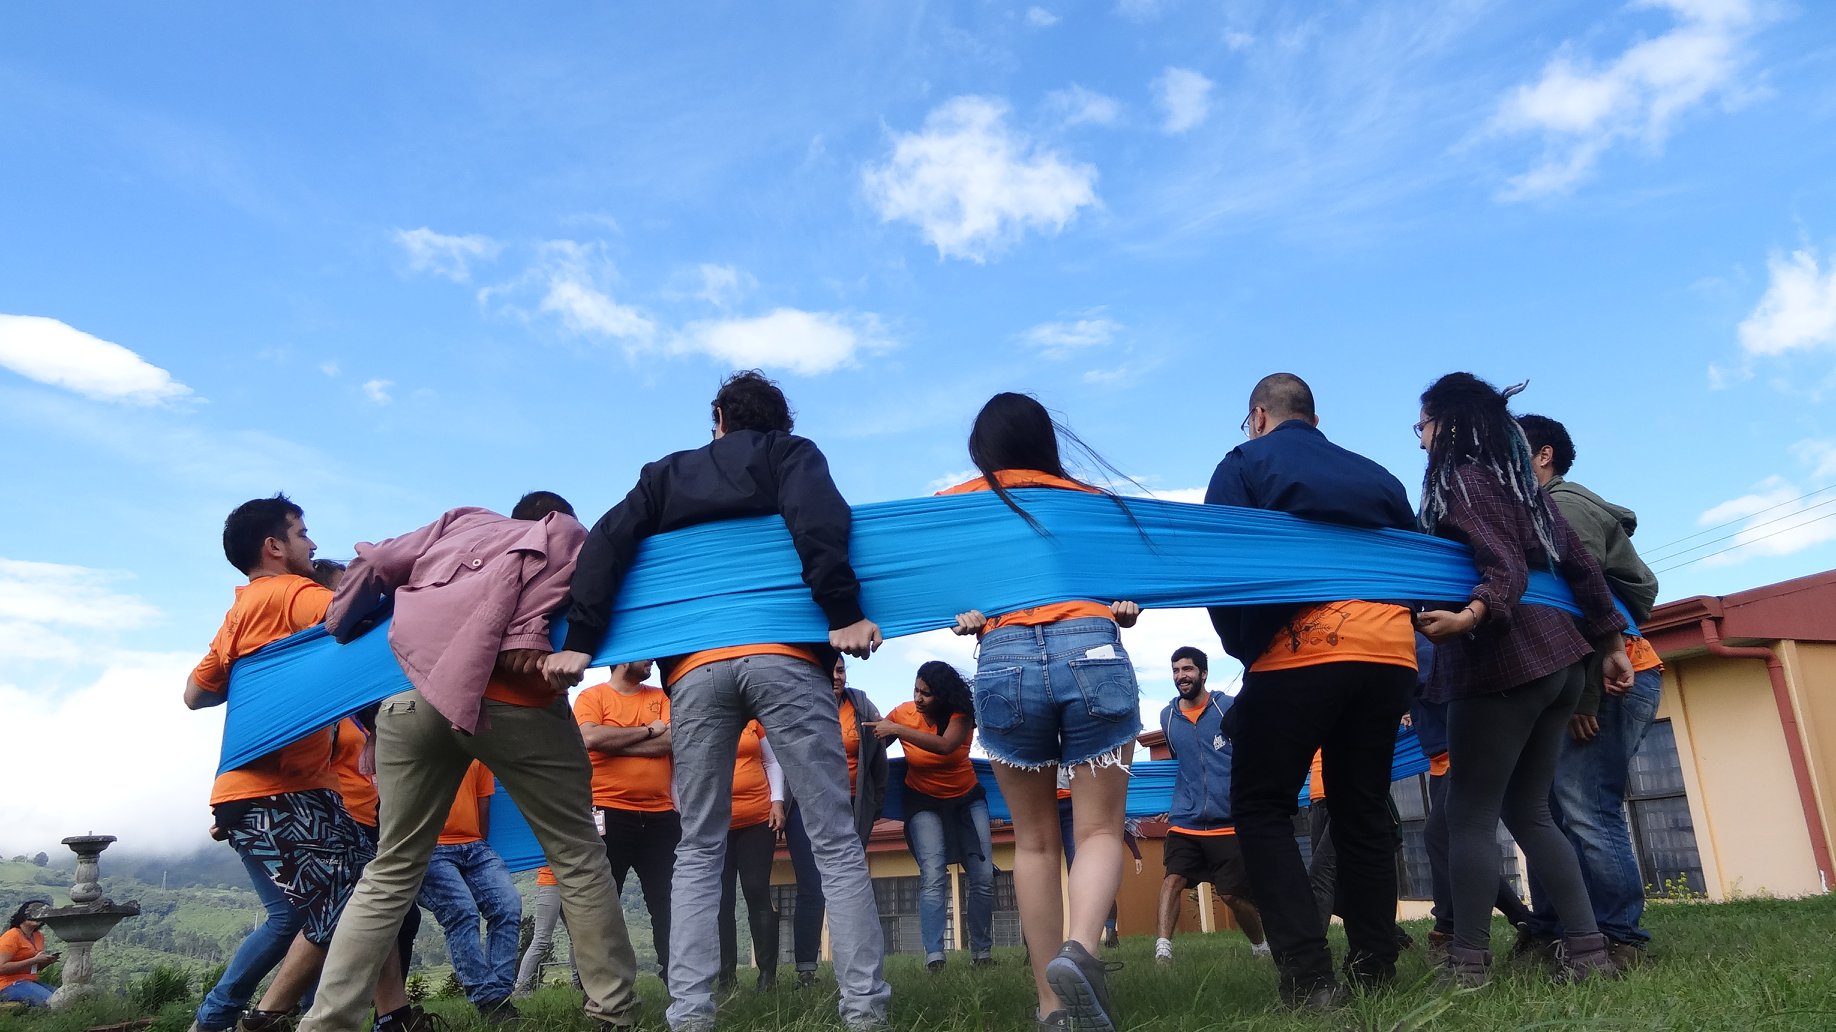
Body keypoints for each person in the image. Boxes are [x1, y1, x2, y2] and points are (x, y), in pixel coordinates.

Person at [542, 370, 889, 1032]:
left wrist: (584, 639)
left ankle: (690, 1017)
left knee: (698, 845)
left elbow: (608, 543)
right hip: (785, 656)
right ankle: (866, 1015)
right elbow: (817, 517)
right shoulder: (791, 455)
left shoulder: (665, 476)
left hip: (696, 671)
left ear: (719, 417)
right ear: (777, 423)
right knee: (834, 842)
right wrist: (840, 610)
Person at [300, 491, 642, 1032]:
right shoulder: (568, 536)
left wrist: (340, 624)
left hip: (414, 699)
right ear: (559, 517)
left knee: (390, 870)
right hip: (514, 700)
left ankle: (324, 1023)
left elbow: (372, 565)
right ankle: (614, 1014)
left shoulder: (458, 522)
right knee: (578, 855)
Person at [1206, 374, 1420, 1008]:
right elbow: (1415, 557)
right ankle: (1375, 965)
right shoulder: (1378, 475)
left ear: (1259, 417)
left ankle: (1307, 976)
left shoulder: (1245, 462)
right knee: (1361, 810)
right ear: (1315, 418)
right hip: (1389, 653)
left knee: (1263, 805)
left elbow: (1224, 560)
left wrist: (1247, 646)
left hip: (1302, 650)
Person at [1413, 373, 1632, 986]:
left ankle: (1468, 964)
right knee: (1531, 812)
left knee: (1470, 815)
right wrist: (1611, 643)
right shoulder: (1522, 486)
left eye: (1422, 425)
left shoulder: (1461, 480)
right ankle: (1589, 956)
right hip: (1561, 661)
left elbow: (1501, 563)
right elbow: (1582, 567)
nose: (1420, 440)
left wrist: (1470, 615)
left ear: (1448, 424)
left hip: (1501, 662)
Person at [937, 392, 1142, 1032]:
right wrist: (1122, 608)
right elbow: (1129, 589)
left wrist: (968, 615)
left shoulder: (952, 507)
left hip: (1004, 662)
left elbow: (945, 594)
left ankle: (1051, 1006)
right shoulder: (1091, 502)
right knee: (1101, 831)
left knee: (1031, 842)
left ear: (984, 450)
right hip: (1093, 647)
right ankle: (1081, 951)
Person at [184, 495, 377, 1032]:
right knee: (358, 898)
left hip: (244, 791)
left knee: (294, 915)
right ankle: (266, 1019)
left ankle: (213, 1021)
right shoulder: (295, 593)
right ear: (274, 546)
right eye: (302, 532)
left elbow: (195, 694)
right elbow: (357, 619)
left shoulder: (241, 609)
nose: (312, 544)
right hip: (286, 791)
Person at [1516, 413, 1664, 969]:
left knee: (1587, 808)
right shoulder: (1536, 511)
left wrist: (1585, 700)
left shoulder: (1564, 507)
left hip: (1611, 677)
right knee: (1548, 811)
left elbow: (1581, 601)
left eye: (1509, 450)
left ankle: (1619, 937)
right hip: (1576, 678)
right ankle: (1556, 929)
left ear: (1543, 455)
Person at [868, 662, 995, 972]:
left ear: (943, 695)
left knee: (983, 877)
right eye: (916, 690)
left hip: (966, 799)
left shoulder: (960, 716)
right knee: (933, 873)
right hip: (922, 799)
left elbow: (945, 745)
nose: (919, 698)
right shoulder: (903, 712)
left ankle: (982, 952)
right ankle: (935, 957)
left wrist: (898, 729)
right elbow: (873, 743)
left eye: (927, 693)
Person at [1152, 646, 1269, 966]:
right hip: (1185, 819)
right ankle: (1163, 950)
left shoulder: (1227, 708)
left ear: (1203, 673)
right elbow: (1180, 762)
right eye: (1176, 670)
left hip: (1227, 820)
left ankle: (1260, 945)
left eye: (1187, 670)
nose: (1181, 676)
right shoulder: (1168, 716)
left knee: (1231, 895)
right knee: (1172, 879)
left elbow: (1253, 751)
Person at [784, 656, 888, 988]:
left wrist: (876, 805)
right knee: (812, 886)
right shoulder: (798, 703)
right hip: (805, 805)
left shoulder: (860, 705)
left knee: (849, 882)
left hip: (852, 807)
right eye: (829, 670)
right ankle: (806, 970)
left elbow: (878, 756)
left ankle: (855, 970)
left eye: (840, 669)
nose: (836, 676)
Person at [574, 660, 678, 980]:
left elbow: (674, 740)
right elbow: (590, 738)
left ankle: (677, 981)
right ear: (622, 660)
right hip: (607, 812)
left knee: (669, 905)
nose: (651, 660)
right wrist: (648, 731)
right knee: (603, 903)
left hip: (661, 815)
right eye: (644, 654)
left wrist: (615, 743)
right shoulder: (592, 696)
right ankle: (603, 986)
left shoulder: (662, 697)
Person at [417, 761, 522, 1013]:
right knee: (462, 912)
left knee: (508, 905)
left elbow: (482, 801)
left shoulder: (476, 748)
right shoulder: (418, 739)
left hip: (474, 845)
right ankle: (489, 1000)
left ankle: (499, 997)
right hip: (430, 846)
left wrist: (478, 843)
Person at [717, 721, 786, 991]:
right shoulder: (703, 715)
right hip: (714, 825)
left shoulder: (754, 721)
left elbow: (772, 761)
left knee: (757, 890)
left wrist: (777, 802)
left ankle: (767, 976)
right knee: (721, 899)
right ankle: (726, 978)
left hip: (757, 820)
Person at [512, 867, 574, 995]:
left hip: (570, 884)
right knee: (541, 940)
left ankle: (579, 984)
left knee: (577, 937)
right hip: (549, 884)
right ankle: (521, 988)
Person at [0, 902, 56, 1007]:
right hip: (6, 983)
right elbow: (1, 968)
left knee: (62, 996)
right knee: (51, 1001)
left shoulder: (38, 936)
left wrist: (45, 962)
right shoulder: (12, 936)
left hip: (29, 980)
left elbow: (33, 967)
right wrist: (34, 960)